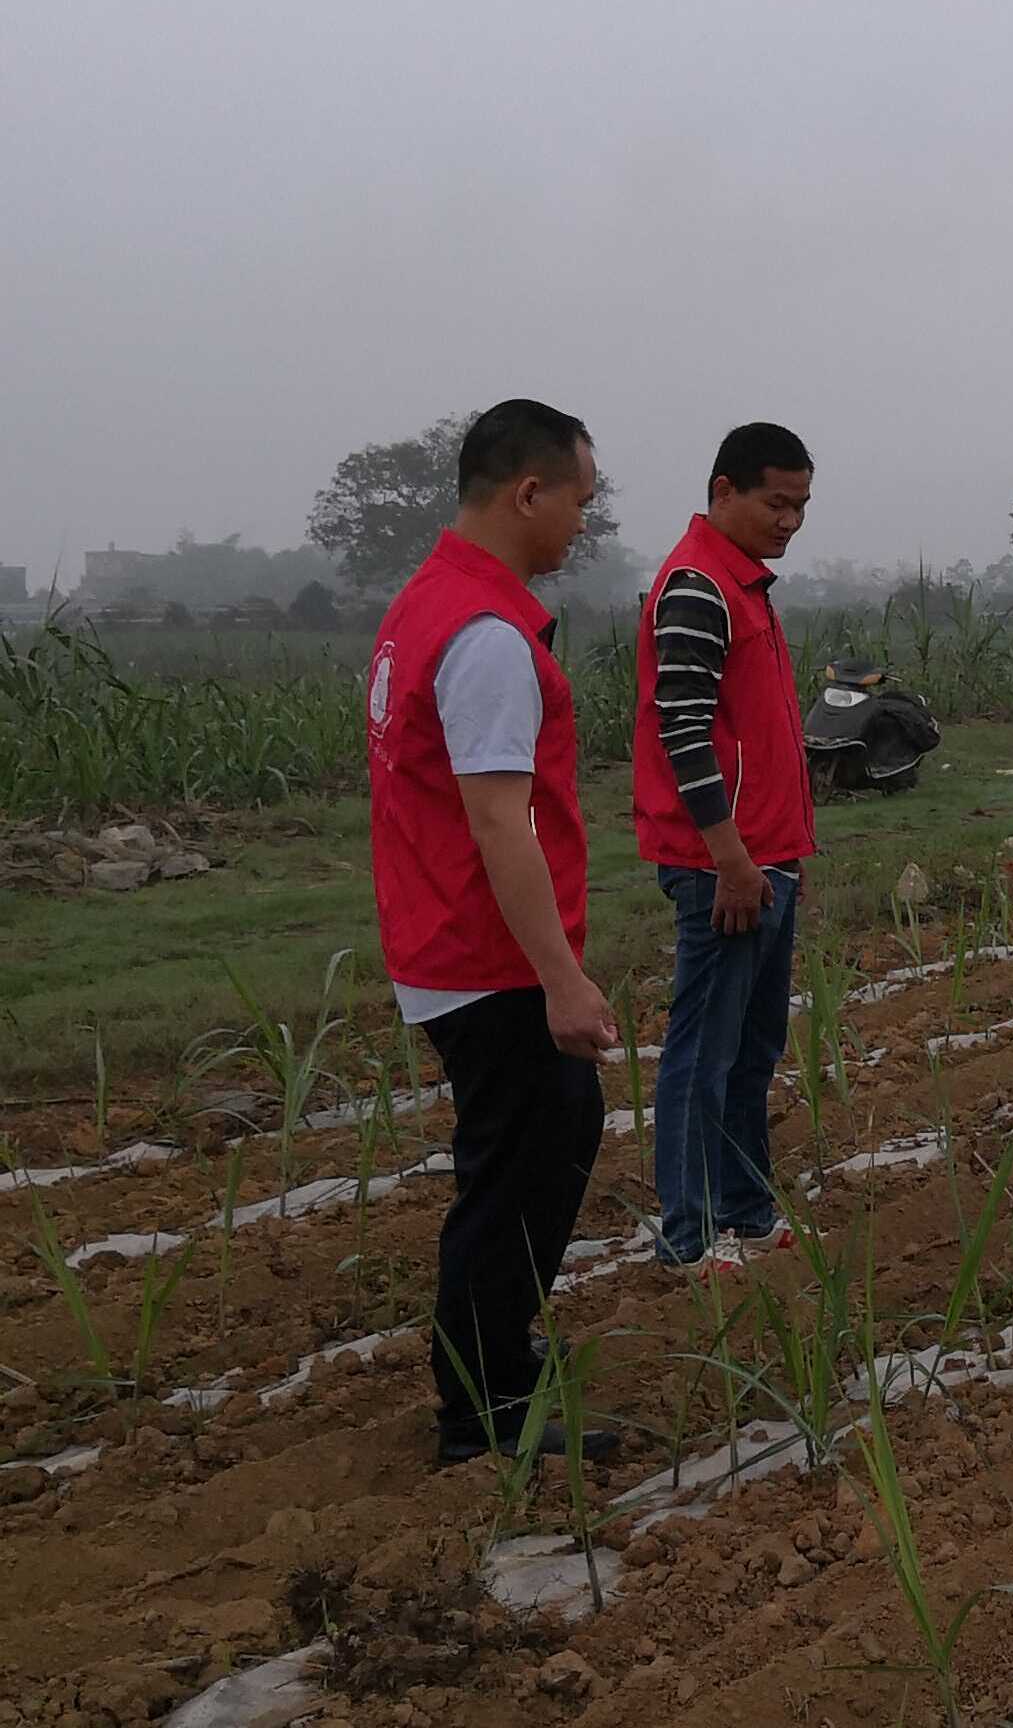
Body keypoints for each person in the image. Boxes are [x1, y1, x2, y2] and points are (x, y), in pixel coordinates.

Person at [366, 399, 619, 1465]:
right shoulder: (485, 635)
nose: (582, 527)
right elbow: (496, 819)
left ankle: (489, 1368)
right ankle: (485, 1408)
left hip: (447, 943)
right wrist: (562, 978)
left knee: (527, 1149)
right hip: (489, 958)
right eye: (580, 502)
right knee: (526, 1162)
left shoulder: (427, 601)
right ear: (528, 493)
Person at [632, 423, 817, 1271]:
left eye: (801, 506)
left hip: (770, 858)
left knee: (751, 1051)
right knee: (703, 1054)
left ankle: (744, 1210)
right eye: (775, 502)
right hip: (726, 867)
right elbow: (682, 728)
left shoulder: (746, 586)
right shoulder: (699, 586)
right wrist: (729, 859)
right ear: (723, 491)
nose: (790, 520)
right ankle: (688, 1235)